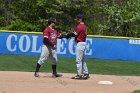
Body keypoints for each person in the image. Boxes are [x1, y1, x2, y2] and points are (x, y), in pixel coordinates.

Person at [66, 14, 89, 80]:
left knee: (78, 60)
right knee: (83, 60)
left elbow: (74, 34)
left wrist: (67, 34)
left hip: (80, 44)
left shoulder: (79, 26)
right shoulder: (85, 26)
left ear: (80, 19)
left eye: (78, 18)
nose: (76, 20)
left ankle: (79, 75)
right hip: (84, 43)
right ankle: (86, 73)